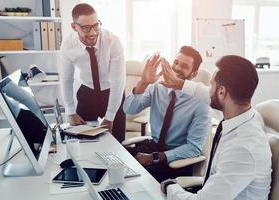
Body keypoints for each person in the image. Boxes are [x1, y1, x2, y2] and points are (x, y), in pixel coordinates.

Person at [160, 55, 272, 200]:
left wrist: (170, 186)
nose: (209, 89)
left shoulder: (243, 149)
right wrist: (179, 83)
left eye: (211, 85)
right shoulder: (245, 116)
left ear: (222, 92)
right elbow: (207, 94)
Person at [123, 46, 211, 182]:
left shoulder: (200, 103)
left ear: (193, 74)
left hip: (175, 159)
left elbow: (193, 149)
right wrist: (144, 82)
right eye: (175, 62)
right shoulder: (158, 87)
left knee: (135, 179)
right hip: (152, 146)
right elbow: (129, 109)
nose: (176, 68)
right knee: (117, 161)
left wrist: (154, 157)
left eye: (184, 66)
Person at [59, 3, 126, 142]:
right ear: (74, 27)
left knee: (117, 143)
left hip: (112, 92)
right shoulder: (68, 45)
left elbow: (118, 82)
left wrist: (110, 117)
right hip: (87, 92)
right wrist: (70, 111)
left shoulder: (112, 41)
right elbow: (66, 79)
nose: (93, 32)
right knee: (82, 140)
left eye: (96, 25)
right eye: (86, 28)